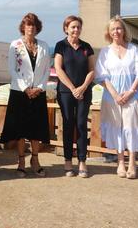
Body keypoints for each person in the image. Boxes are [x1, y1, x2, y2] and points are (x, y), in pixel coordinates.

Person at [94, 15, 138, 179]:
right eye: (113, 28)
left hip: (132, 96)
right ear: (109, 31)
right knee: (118, 129)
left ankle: (132, 163)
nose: (116, 31)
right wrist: (115, 95)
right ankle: (120, 162)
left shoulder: (134, 49)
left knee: (131, 128)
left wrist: (129, 92)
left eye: (119, 28)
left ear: (124, 30)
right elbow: (101, 76)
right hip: (111, 97)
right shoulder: (105, 52)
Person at [1, 13, 51, 177]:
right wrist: (25, 89)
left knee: (36, 130)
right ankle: (21, 161)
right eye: (28, 25)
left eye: (34, 25)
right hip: (19, 93)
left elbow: (46, 70)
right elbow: (12, 70)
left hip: (38, 92)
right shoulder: (15, 45)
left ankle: (35, 160)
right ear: (23, 27)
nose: (31, 28)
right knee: (20, 130)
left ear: (38, 28)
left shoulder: (44, 45)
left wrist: (39, 87)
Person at [53, 15, 95, 178]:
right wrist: (72, 88)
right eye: (72, 27)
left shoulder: (87, 47)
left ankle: (82, 161)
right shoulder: (60, 46)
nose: (76, 30)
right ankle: (68, 161)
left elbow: (92, 70)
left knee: (81, 125)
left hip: (84, 92)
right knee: (69, 125)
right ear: (66, 29)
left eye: (78, 27)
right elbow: (58, 68)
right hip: (65, 92)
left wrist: (83, 88)